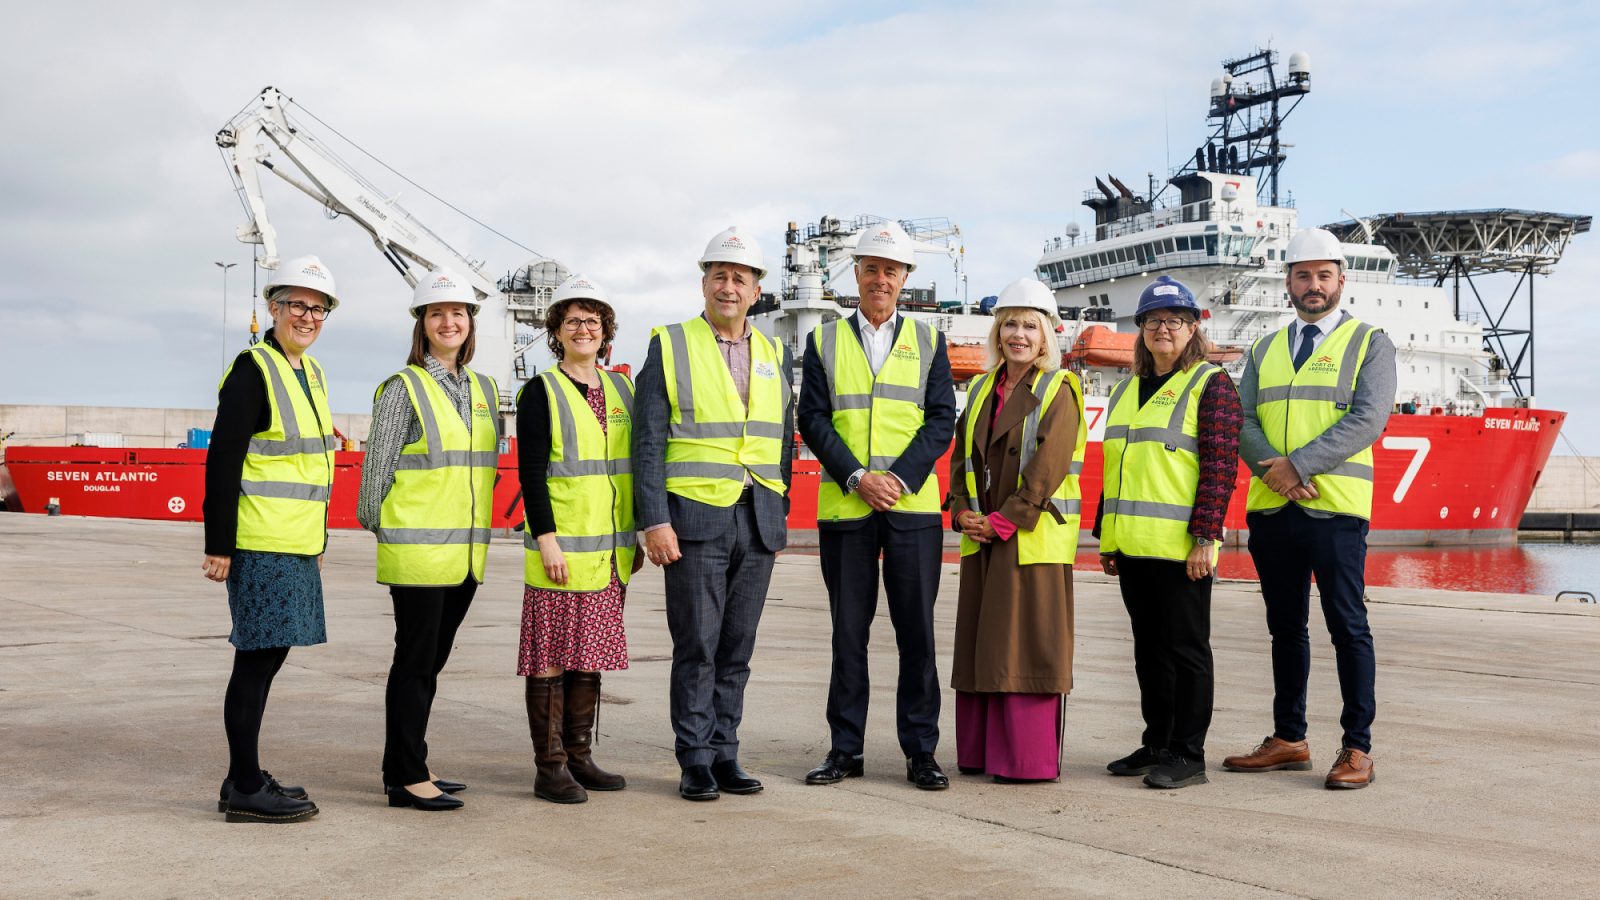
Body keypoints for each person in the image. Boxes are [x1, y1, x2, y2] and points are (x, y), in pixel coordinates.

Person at [1223, 228, 1396, 789]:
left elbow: (1368, 419)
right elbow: (1243, 420)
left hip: (1337, 508)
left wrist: (1296, 466)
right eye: (1302, 275)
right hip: (1273, 509)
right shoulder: (1264, 348)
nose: (1313, 285)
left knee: (1348, 625)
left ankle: (1357, 747)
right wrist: (1276, 468)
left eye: (1323, 275)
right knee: (1284, 627)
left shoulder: (1369, 342)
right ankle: (1288, 737)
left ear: (1341, 281)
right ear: (1287, 283)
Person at [633, 226, 795, 802]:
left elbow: (782, 437)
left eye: (740, 278)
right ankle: (695, 758)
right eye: (719, 276)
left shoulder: (776, 353)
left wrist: (780, 509)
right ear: (704, 283)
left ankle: (727, 751)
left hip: (758, 519)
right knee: (697, 645)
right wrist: (654, 520)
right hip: (694, 518)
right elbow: (648, 440)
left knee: (737, 646)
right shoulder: (670, 344)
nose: (729, 287)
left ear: (757, 291)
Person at [799, 221, 958, 791]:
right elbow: (811, 419)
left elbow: (943, 418)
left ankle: (921, 752)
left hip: (912, 507)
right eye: (871, 268)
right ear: (857, 274)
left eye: (892, 270)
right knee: (849, 634)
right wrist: (858, 476)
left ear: (905, 278)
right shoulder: (822, 340)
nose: (881, 279)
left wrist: (898, 478)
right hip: (847, 507)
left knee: (917, 633)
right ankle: (845, 749)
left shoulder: (930, 340)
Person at [202, 255, 340, 824]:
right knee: (255, 663)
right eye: (296, 305)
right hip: (259, 542)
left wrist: (317, 538)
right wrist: (219, 544)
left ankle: (243, 776)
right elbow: (222, 462)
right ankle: (247, 786)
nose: (307, 316)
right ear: (273, 309)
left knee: (269, 659)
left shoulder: (310, 371)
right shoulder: (252, 368)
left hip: (295, 541)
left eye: (318, 308)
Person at [358, 268, 500, 811]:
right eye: (437, 313)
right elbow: (375, 477)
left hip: (464, 554)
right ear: (422, 324)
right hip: (418, 551)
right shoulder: (403, 388)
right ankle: (404, 777)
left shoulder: (483, 390)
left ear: (470, 324)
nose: (449, 322)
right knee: (415, 662)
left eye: (458, 313)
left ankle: (412, 759)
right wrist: (389, 529)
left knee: (432, 663)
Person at [1097, 275, 1242, 789]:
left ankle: (1188, 753)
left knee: (1186, 649)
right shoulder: (1125, 390)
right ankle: (1157, 741)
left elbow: (1222, 467)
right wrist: (1106, 538)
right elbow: (1117, 467)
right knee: (1148, 649)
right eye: (1153, 321)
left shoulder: (1211, 384)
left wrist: (1207, 538)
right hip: (1133, 546)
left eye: (1174, 320)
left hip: (1183, 548)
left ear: (1192, 328)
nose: (1163, 328)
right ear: (1140, 330)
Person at [947, 278, 1083, 783]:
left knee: (1026, 647)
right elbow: (962, 458)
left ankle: (1025, 760)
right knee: (983, 643)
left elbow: (1049, 466)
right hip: (982, 537)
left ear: (1046, 335)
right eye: (1009, 325)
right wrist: (962, 512)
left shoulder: (1059, 388)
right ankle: (980, 753)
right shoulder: (981, 388)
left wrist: (1004, 519)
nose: (1018, 335)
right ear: (997, 332)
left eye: (1029, 325)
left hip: (1030, 540)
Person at [515, 274, 638, 804]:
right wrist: (546, 539)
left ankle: (581, 757)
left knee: (590, 656)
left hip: (610, 554)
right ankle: (550, 767)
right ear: (557, 332)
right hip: (561, 550)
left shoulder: (622, 390)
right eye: (573, 322)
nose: (583, 329)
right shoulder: (540, 390)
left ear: (605, 331)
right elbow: (531, 473)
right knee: (550, 658)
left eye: (593, 321)